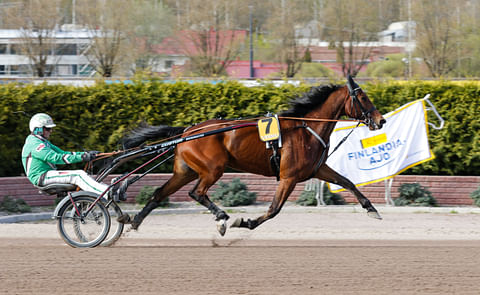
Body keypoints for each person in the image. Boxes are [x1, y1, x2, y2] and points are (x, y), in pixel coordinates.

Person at [21, 113, 127, 201]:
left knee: (84, 175)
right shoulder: (35, 144)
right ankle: (108, 193)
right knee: (78, 175)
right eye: (48, 129)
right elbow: (56, 158)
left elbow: (63, 153)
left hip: (47, 174)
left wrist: (87, 154)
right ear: (38, 129)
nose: (51, 131)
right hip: (41, 177)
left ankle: (110, 191)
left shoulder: (43, 142)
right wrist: (82, 158)